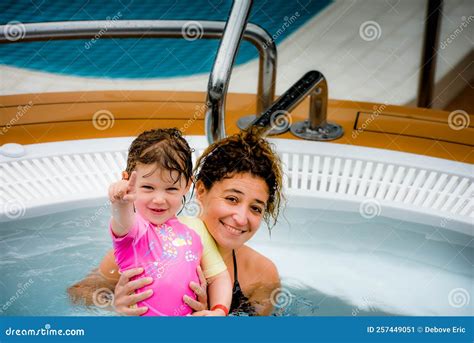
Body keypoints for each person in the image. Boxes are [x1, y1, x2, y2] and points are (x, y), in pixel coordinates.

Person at [69, 129, 284, 316]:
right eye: (231, 199)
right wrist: (115, 307)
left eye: (256, 208)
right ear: (199, 190)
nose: (241, 217)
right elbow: (78, 294)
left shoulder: (261, 275)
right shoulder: (143, 246)